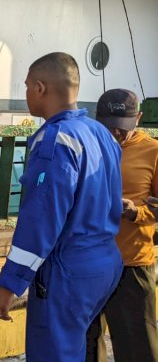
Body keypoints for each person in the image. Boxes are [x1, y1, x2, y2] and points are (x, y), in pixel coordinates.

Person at [0, 53, 123, 361]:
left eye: (26, 88)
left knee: (53, 353)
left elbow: (41, 221)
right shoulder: (102, 133)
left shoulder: (55, 141)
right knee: (74, 346)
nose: (26, 95)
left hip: (68, 270)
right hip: (105, 261)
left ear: (39, 87)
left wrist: (8, 284)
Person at [85, 88, 158, 362]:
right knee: (87, 347)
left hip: (132, 266)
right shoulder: (86, 146)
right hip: (87, 265)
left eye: (122, 128)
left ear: (138, 118)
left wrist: (136, 213)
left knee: (138, 348)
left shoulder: (153, 152)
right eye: (109, 127)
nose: (115, 134)